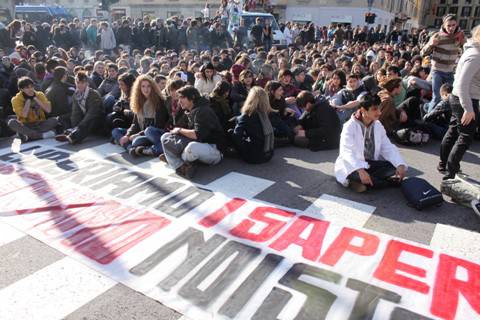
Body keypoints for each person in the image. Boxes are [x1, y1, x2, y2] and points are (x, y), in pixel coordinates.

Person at [335, 94, 407, 193]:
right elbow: (346, 152)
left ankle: (366, 182)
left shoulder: (377, 125)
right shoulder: (349, 126)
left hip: (370, 164)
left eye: (379, 108)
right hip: (353, 165)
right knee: (356, 174)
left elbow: (387, 146)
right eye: (374, 109)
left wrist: (400, 164)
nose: (379, 112)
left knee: (394, 167)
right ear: (363, 110)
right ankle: (376, 182)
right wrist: (360, 170)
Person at [439, 25, 480, 180]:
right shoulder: (476, 55)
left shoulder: (473, 50)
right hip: (465, 99)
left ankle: (444, 165)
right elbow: (463, 83)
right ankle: (450, 174)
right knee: (465, 136)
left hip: (460, 97)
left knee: (454, 132)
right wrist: (468, 108)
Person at [160, 85, 226, 179]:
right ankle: (180, 165)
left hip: (214, 150)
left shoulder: (204, 110)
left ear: (192, 97)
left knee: (191, 148)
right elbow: (177, 128)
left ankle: (173, 160)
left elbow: (197, 135)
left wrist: (179, 130)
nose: (179, 101)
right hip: (199, 144)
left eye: (182, 97)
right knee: (165, 136)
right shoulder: (189, 110)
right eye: (179, 98)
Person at [111, 75, 169, 156]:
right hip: (140, 131)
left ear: (153, 87)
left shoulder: (159, 101)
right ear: (139, 88)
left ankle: (127, 145)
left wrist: (137, 135)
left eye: (149, 86)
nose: (146, 89)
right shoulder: (138, 101)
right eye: (143, 86)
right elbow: (135, 123)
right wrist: (127, 135)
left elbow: (158, 125)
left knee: (136, 142)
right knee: (116, 131)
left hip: (151, 133)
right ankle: (129, 148)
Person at [421, 14, 464, 113]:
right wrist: (431, 44)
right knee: (437, 97)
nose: (451, 28)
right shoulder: (437, 35)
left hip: (450, 72)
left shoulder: (460, 36)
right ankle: (427, 121)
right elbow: (423, 52)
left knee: (451, 97)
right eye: (448, 25)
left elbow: (466, 50)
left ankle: (426, 107)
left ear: (456, 24)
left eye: (453, 25)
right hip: (437, 71)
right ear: (444, 25)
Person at [55, 71, 104, 144]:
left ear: (87, 83)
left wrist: (79, 126)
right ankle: (69, 132)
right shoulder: (76, 94)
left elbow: (92, 113)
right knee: (64, 117)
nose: (80, 85)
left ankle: (73, 137)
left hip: (98, 119)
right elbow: (75, 112)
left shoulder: (93, 94)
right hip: (85, 116)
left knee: (89, 121)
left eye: (82, 83)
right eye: (78, 83)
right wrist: (75, 125)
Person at [232, 86, 274, 164]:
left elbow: (236, 135)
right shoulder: (265, 113)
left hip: (254, 157)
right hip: (268, 155)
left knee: (231, 132)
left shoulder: (247, 115)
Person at [8, 76, 57, 142]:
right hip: (25, 124)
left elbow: (48, 110)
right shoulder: (16, 99)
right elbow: (24, 115)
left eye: (31, 86)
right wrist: (28, 100)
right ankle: (40, 135)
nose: (30, 89)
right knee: (11, 122)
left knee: (54, 120)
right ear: (21, 89)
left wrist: (35, 98)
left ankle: (28, 135)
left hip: (39, 123)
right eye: (27, 88)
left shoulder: (39, 94)